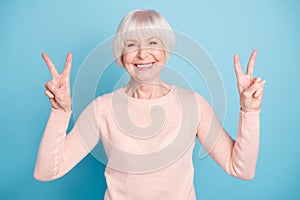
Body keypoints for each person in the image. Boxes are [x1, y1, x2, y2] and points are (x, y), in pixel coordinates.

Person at [34, 9, 265, 200]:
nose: (143, 54)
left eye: (152, 42)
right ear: (121, 54)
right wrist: (59, 111)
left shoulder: (194, 105)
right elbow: (46, 172)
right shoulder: (102, 109)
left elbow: (241, 169)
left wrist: (250, 111)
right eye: (132, 45)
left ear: (166, 49)